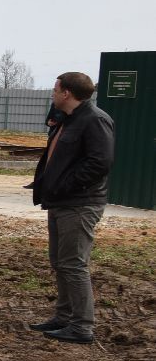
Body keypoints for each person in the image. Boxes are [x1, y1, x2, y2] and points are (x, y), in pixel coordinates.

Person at [26, 71, 116, 343]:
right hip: (61, 201)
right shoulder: (68, 119)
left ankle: (82, 326)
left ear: (67, 93)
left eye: (55, 90)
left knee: (74, 264)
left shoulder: (94, 120)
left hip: (79, 204)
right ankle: (64, 316)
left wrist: (65, 185)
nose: (52, 94)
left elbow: (100, 163)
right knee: (60, 262)